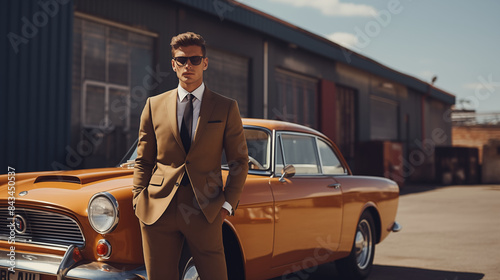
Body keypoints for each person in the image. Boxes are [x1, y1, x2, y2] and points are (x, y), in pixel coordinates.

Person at [132, 32, 249, 280]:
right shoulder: (154, 105)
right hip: (158, 208)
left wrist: (227, 204)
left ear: (205, 63)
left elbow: (239, 161)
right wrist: (138, 198)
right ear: (173, 64)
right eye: (182, 60)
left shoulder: (226, 106)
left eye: (195, 60)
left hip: (205, 209)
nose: (189, 66)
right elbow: (144, 160)